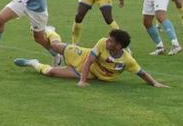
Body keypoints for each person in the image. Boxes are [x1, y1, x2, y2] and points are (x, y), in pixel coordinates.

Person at [13, 28, 168, 88]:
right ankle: (51, 31)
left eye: (111, 41)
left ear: (119, 46)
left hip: (87, 73)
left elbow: (141, 73)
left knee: (50, 73)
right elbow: (89, 60)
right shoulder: (102, 43)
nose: (107, 41)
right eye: (108, 38)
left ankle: (33, 63)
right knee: (54, 46)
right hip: (82, 55)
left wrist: (155, 83)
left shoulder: (127, 60)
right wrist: (82, 81)